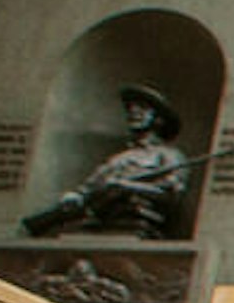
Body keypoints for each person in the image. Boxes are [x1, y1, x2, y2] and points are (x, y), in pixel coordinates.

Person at [21, 84, 198, 239]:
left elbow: (171, 194)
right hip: (100, 214)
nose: (133, 112)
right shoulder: (118, 158)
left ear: (158, 119)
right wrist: (76, 196)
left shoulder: (169, 156)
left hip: (136, 215)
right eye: (130, 108)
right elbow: (90, 187)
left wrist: (126, 186)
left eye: (142, 108)